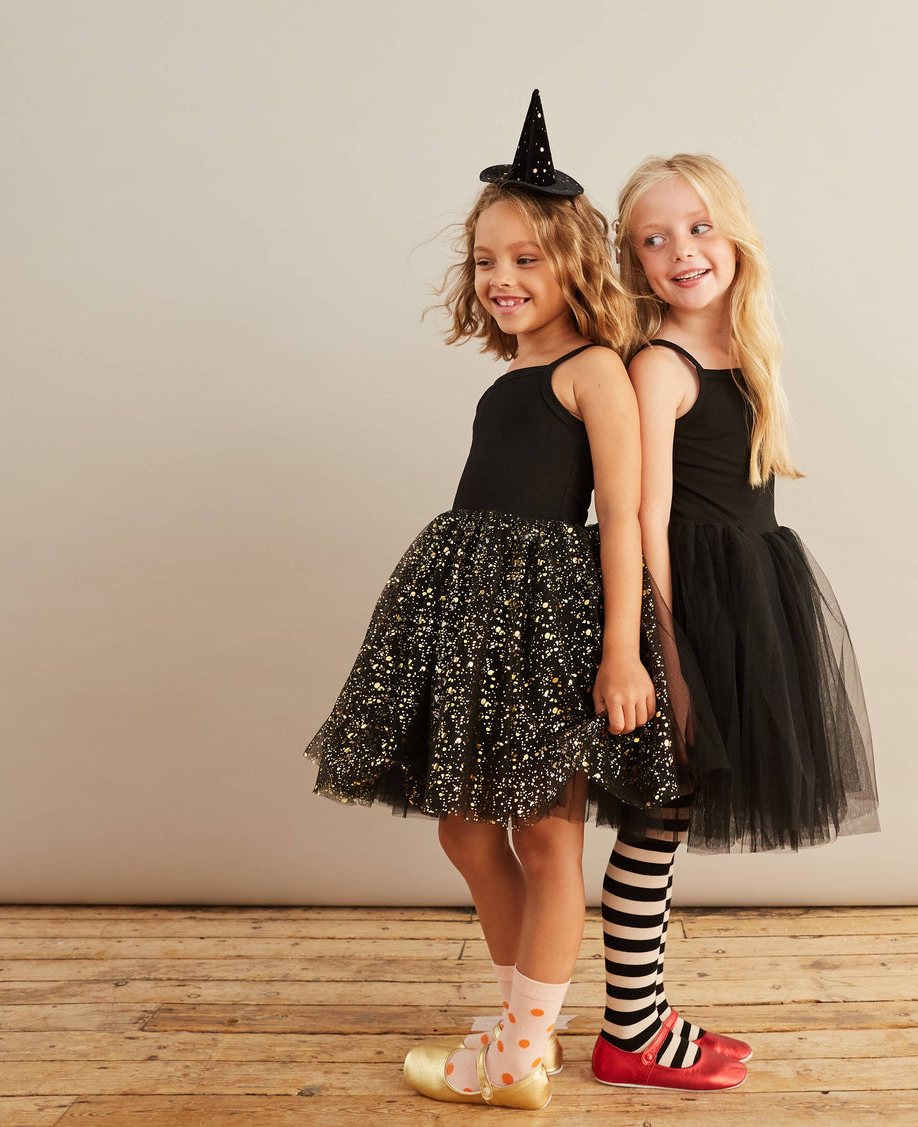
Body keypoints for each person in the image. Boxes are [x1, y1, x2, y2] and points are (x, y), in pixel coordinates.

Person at [303, 93, 695, 1110]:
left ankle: (518, 1048)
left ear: (573, 263)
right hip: (471, 610)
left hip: (545, 622)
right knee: (468, 829)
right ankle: (527, 1018)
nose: (502, 277)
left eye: (526, 258)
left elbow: (620, 514)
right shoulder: (512, 369)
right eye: (486, 260)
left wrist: (621, 653)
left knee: (546, 835)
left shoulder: (594, 368)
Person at [589, 153, 881, 1090]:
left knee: (669, 819)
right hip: (687, 609)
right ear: (634, 262)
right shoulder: (659, 365)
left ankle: (644, 1013)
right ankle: (628, 1033)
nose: (682, 250)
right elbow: (642, 516)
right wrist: (669, 657)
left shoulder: (744, 354)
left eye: (698, 226)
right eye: (654, 239)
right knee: (655, 818)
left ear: (735, 234)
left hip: (744, 596)